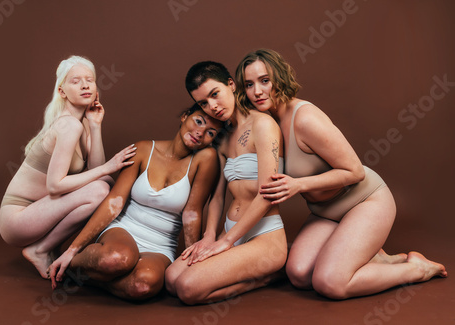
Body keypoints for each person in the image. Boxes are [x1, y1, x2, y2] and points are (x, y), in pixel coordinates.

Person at [235, 48, 447, 299]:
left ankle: (416, 269)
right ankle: (382, 259)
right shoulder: (266, 122)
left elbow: (354, 171)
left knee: (330, 283)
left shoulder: (304, 119)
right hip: (325, 212)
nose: (257, 91)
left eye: (265, 81)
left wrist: (299, 185)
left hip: (365, 201)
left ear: (279, 78)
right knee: (299, 274)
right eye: (249, 84)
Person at [47, 104, 224, 301]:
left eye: (210, 132)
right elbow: (114, 202)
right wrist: (74, 249)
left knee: (143, 285)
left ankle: (91, 278)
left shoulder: (206, 159)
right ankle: (71, 264)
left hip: (161, 245)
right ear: (184, 116)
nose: (200, 133)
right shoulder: (143, 149)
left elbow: (192, 213)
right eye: (198, 121)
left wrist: (190, 264)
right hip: (124, 231)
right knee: (117, 259)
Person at [0, 55, 136, 279]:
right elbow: (55, 186)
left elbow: (96, 169)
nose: (84, 85)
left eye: (89, 80)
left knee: (104, 184)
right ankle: (39, 249)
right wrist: (108, 168)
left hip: (39, 212)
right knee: (101, 188)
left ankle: (47, 247)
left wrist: (95, 125)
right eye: (75, 81)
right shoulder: (68, 125)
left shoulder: (80, 124)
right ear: (62, 91)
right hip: (18, 218)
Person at [165, 61, 288, 305]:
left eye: (214, 94)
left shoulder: (262, 125)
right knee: (171, 279)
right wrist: (210, 236)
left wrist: (226, 242)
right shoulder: (222, 139)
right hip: (229, 230)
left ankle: (268, 276)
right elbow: (218, 197)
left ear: (231, 85)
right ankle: (249, 265)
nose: (212, 107)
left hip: (264, 236)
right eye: (203, 103)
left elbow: (267, 194)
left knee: (188, 289)